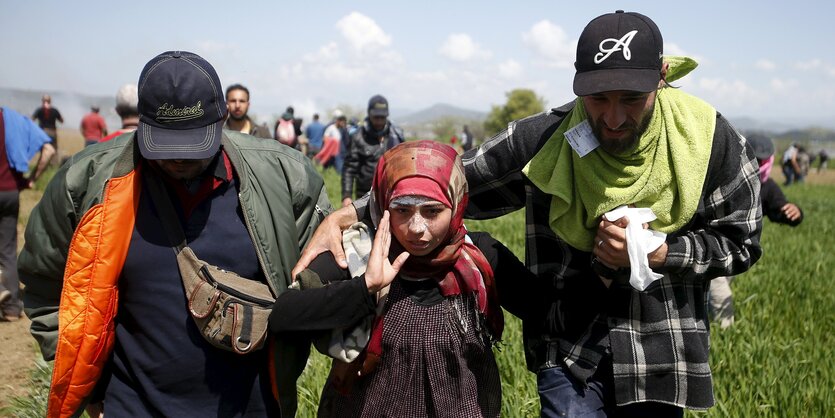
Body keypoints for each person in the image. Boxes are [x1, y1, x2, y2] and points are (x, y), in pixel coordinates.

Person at [295, 10, 763, 416]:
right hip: (568, 348)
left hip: (661, 348)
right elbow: (447, 183)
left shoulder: (707, 142)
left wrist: (659, 253)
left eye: (631, 99)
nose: (614, 118)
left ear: (660, 77)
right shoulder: (546, 142)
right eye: (599, 99)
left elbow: (741, 241)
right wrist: (353, 212)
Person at [19, 50, 331, 418]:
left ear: (222, 122)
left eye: (193, 145)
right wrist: (90, 385)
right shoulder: (87, 182)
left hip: (253, 407)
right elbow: (45, 282)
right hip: (132, 406)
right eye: (166, 145)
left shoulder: (284, 178)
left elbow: (322, 283)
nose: (179, 158)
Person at [273, 140, 543, 417]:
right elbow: (284, 315)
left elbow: (547, 310)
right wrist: (364, 287)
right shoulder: (359, 252)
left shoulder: (479, 259)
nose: (417, 228)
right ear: (383, 202)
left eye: (432, 211)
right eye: (402, 210)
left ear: (457, 203)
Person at [709, 133, 802, 329]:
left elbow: (781, 209)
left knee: (717, 286)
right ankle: (727, 333)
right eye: (754, 158)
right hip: (714, 245)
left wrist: (795, 213)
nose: (757, 164)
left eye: (762, 160)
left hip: (737, 251)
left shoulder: (767, 188)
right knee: (721, 293)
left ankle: (708, 321)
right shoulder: (726, 176)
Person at [0, 106, 55, 322]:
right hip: (10, 193)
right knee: (7, 249)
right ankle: (13, 308)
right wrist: (32, 178)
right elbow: (49, 150)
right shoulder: (14, 120)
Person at [341, 94, 404, 207]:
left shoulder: (396, 135)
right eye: (376, 117)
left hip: (393, 194)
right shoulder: (358, 137)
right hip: (365, 196)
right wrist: (346, 195)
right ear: (369, 114)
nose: (379, 121)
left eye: (382, 117)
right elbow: (349, 168)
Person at [31, 94, 63, 159]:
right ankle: (53, 165)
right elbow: (61, 120)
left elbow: (32, 119)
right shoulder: (54, 110)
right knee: (54, 148)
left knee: (44, 148)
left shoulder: (39, 110)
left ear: (42, 101)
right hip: (52, 131)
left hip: (42, 132)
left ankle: (43, 164)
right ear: (50, 101)